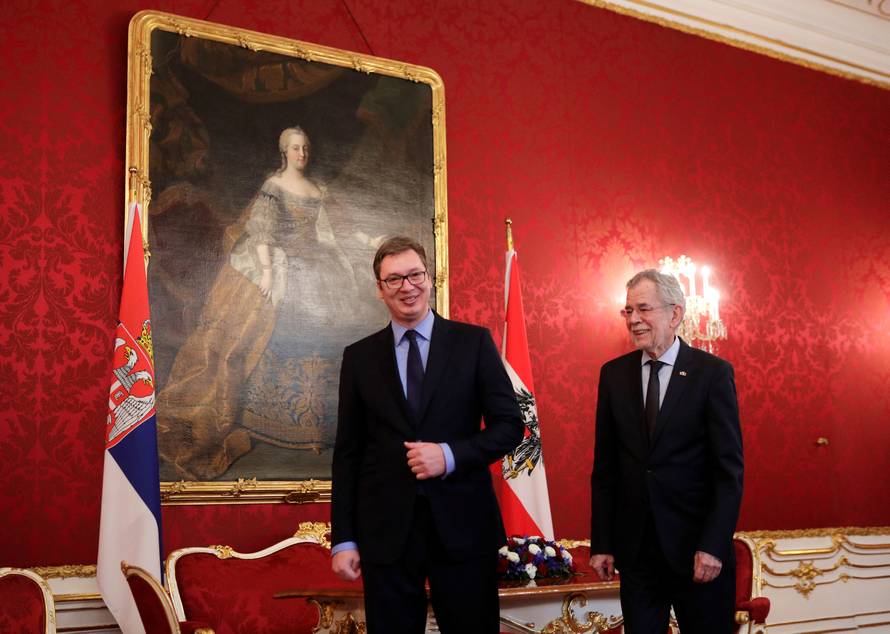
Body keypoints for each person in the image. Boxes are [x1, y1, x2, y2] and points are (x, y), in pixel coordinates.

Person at [331, 236, 524, 633]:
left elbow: (510, 427)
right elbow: (348, 453)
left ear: (430, 278)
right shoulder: (359, 358)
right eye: (394, 279)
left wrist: (449, 455)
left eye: (415, 274)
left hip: (464, 528)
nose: (408, 286)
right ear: (380, 289)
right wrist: (344, 539)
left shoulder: (473, 343)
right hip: (386, 535)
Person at [157, 126, 363, 480]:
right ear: (284, 152)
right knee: (257, 331)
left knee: (331, 329)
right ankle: (270, 416)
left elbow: (328, 232)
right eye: (296, 148)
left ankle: (320, 422)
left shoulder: (317, 189)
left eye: (306, 148)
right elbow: (262, 230)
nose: (302, 154)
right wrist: (267, 272)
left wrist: (355, 246)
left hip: (317, 267)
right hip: (283, 265)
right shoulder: (274, 186)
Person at [589, 269, 744, 633]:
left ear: (674, 314)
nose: (634, 320)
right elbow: (606, 468)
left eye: (644, 309)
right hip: (638, 555)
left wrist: (713, 545)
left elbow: (729, 472)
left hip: (698, 554)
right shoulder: (613, 375)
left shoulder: (712, 374)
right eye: (628, 311)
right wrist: (603, 542)